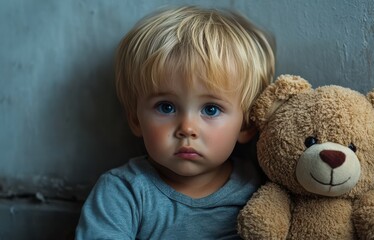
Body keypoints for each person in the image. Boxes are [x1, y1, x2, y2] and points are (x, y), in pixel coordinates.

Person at [75, 5, 275, 239]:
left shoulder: (260, 190)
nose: (187, 129)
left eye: (211, 109)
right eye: (166, 107)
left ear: (247, 125)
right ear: (135, 119)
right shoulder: (124, 192)